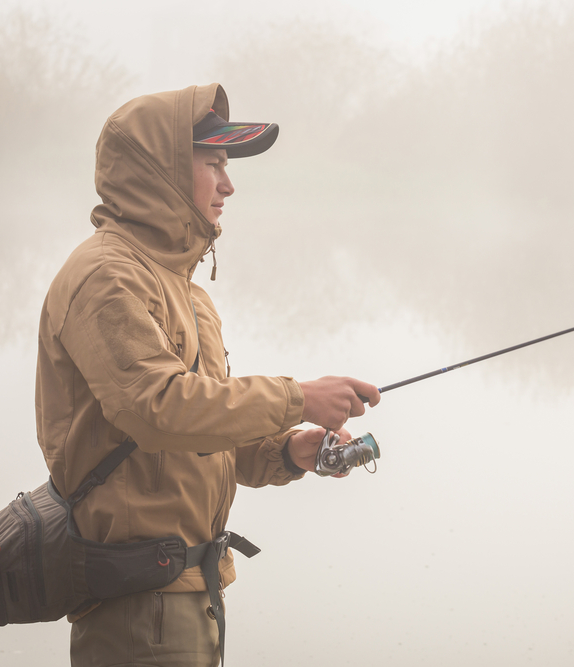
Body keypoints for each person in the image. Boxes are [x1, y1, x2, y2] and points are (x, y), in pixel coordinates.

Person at [35, 83, 381, 666]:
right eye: (214, 164)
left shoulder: (187, 291)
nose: (229, 183)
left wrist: (289, 450)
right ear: (160, 172)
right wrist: (297, 397)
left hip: (195, 597)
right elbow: (158, 409)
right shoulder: (105, 275)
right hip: (137, 609)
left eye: (228, 166)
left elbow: (204, 431)